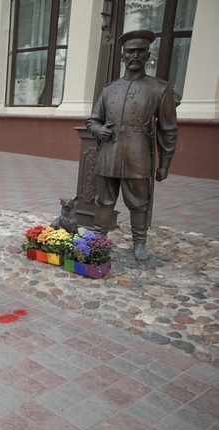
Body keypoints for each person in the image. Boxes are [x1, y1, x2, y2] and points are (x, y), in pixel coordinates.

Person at [86, 29, 178, 261]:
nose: (135, 55)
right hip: (109, 153)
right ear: (123, 56)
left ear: (148, 55)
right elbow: (93, 120)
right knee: (104, 200)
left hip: (139, 155)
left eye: (140, 51)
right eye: (130, 51)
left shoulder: (159, 89)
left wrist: (165, 163)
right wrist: (98, 129)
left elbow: (168, 130)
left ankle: (139, 243)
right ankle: (99, 240)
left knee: (139, 202)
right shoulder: (109, 90)